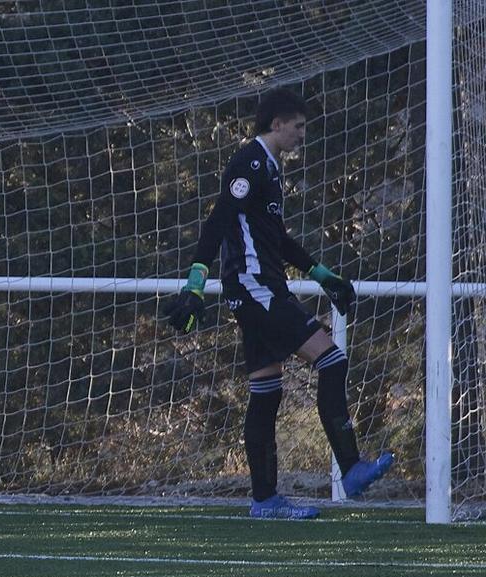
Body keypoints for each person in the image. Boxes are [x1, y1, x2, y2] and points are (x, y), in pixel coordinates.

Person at [162, 87, 394, 519]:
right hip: (254, 287)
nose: (303, 135)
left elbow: (277, 239)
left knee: (266, 392)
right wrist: (195, 284)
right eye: (299, 127)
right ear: (277, 124)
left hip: (263, 286)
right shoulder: (250, 162)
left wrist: (323, 275)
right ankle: (352, 468)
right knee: (331, 359)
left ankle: (265, 500)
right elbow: (218, 221)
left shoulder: (269, 168)